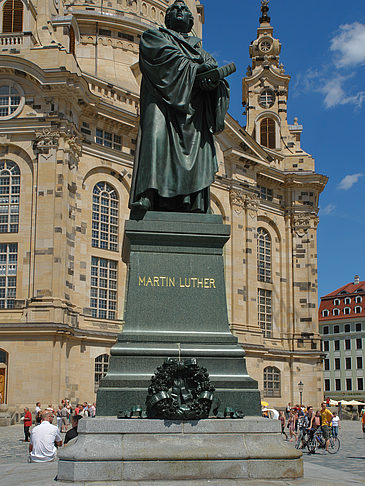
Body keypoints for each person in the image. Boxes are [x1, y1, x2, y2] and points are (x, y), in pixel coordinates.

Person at [129, 0, 230, 214]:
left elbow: (214, 82)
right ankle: (147, 194)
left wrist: (212, 84)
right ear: (167, 17)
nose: (180, 11)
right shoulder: (154, 36)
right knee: (154, 136)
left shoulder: (203, 52)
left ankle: (192, 200)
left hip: (193, 113)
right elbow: (164, 60)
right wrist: (195, 70)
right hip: (161, 104)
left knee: (198, 142)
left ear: (191, 19)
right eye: (175, 8)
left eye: (185, 9)